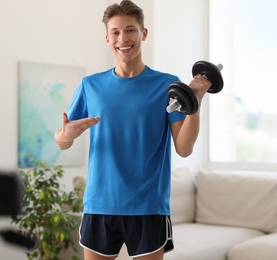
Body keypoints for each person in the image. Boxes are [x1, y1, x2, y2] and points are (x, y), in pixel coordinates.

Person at [54, 1, 211, 259]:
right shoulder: (90, 85)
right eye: (115, 32)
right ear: (107, 38)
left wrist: (196, 103)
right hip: (100, 205)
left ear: (143, 33)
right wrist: (66, 136)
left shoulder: (167, 85)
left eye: (130, 30)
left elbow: (183, 148)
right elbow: (61, 141)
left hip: (148, 207)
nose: (123, 39)